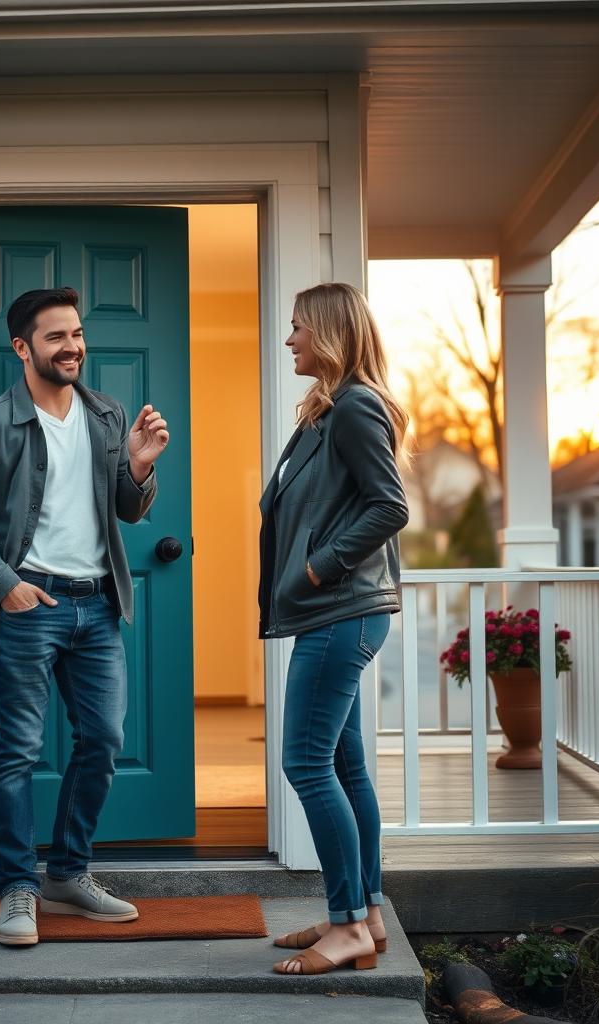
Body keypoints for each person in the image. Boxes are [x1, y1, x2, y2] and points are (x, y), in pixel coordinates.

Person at [0, 286, 169, 947]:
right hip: (30, 603)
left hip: (97, 604)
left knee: (102, 741)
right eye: (54, 337)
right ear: (22, 347)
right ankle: (17, 887)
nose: (72, 346)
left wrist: (138, 467)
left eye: (76, 334)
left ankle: (68, 875)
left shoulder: (107, 415)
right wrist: (4, 583)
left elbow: (125, 510)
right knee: (16, 750)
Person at [258, 282, 410, 976]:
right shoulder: (327, 410)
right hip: (338, 613)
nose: (288, 339)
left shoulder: (353, 407)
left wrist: (317, 569)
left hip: (341, 612)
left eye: (296, 328)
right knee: (345, 767)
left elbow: (389, 507)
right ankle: (365, 914)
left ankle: (347, 925)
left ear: (325, 330)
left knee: (306, 764)